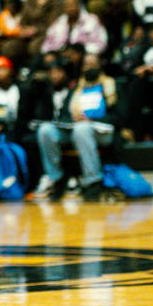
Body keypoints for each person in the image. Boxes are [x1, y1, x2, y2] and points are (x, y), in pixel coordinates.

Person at [34, 53, 116, 201]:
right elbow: (64, 114)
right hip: (75, 129)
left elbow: (119, 116)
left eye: (93, 64)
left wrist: (90, 118)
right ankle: (56, 178)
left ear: (100, 65)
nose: (89, 67)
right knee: (45, 129)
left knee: (82, 129)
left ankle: (93, 181)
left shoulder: (110, 85)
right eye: (86, 64)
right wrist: (72, 119)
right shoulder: (77, 88)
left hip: (103, 130)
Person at [41, 0, 107, 57]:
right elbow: (46, 45)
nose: (72, 8)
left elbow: (101, 43)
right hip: (60, 56)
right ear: (63, 8)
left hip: (85, 55)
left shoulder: (92, 20)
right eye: (68, 5)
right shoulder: (58, 22)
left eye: (74, 4)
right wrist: (54, 53)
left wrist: (79, 52)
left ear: (80, 5)